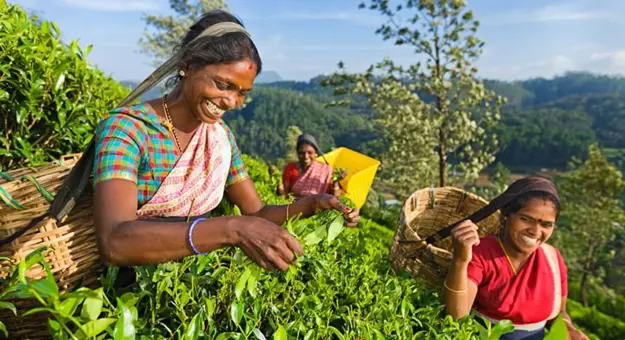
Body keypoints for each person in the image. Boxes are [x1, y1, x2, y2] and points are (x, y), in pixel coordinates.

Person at [91, 10, 360, 273]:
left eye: (242, 93)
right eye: (223, 85)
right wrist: (231, 229)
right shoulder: (129, 130)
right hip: (117, 294)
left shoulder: (220, 138)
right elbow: (114, 241)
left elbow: (257, 212)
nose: (232, 102)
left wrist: (313, 204)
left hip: (183, 289)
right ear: (186, 65)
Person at [443, 176, 588, 340]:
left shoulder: (553, 259)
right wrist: (460, 260)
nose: (535, 231)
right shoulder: (480, 253)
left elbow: (558, 313)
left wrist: (566, 328)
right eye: (526, 219)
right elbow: (456, 318)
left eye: (546, 224)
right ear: (506, 215)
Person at [279, 133, 344, 199]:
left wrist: (336, 182)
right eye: (302, 153)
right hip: (294, 207)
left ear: (316, 153)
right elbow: (284, 195)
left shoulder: (326, 171)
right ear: (297, 153)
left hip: (319, 208)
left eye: (310, 153)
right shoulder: (290, 168)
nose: (306, 157)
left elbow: (335, 198)